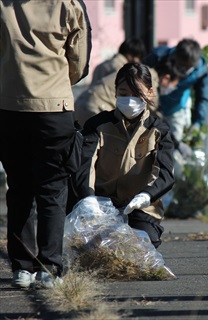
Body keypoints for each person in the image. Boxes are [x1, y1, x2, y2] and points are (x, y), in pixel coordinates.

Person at [0, 0, 91, 289]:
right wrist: (56, 81)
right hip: (54, 106)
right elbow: (80, 60)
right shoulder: (68, 3)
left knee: (19, 187)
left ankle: (22, 267)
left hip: (9, 106)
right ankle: (50, 267)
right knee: (52, 189)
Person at [72, 63, 175, 249]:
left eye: (137, 94)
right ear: (115, 93)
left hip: (141, 207)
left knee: (142, 243)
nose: (129, 100)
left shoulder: (159, 130)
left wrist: (146, 195)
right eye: (124, 93)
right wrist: (89, 199)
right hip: (101, 205)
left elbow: (165, 174)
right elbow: (85, 164)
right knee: (89, 246)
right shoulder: (98, 124)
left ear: (150, 93)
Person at [74, 38, 159, 127]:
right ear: (134, 56)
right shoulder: (126, 70)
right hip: (99, 109)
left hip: (81, 105)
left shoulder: (102, 65)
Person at [143, 38, 208, 141]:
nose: (184, 69)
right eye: (181, 65)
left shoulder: (200, 70)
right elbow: (139, 76)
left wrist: (198, 121)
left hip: (175, 108)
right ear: (175, 56)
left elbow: (202, 97)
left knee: (171, 143)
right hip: (149, 104)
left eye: (188, 67)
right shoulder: (158, 56)